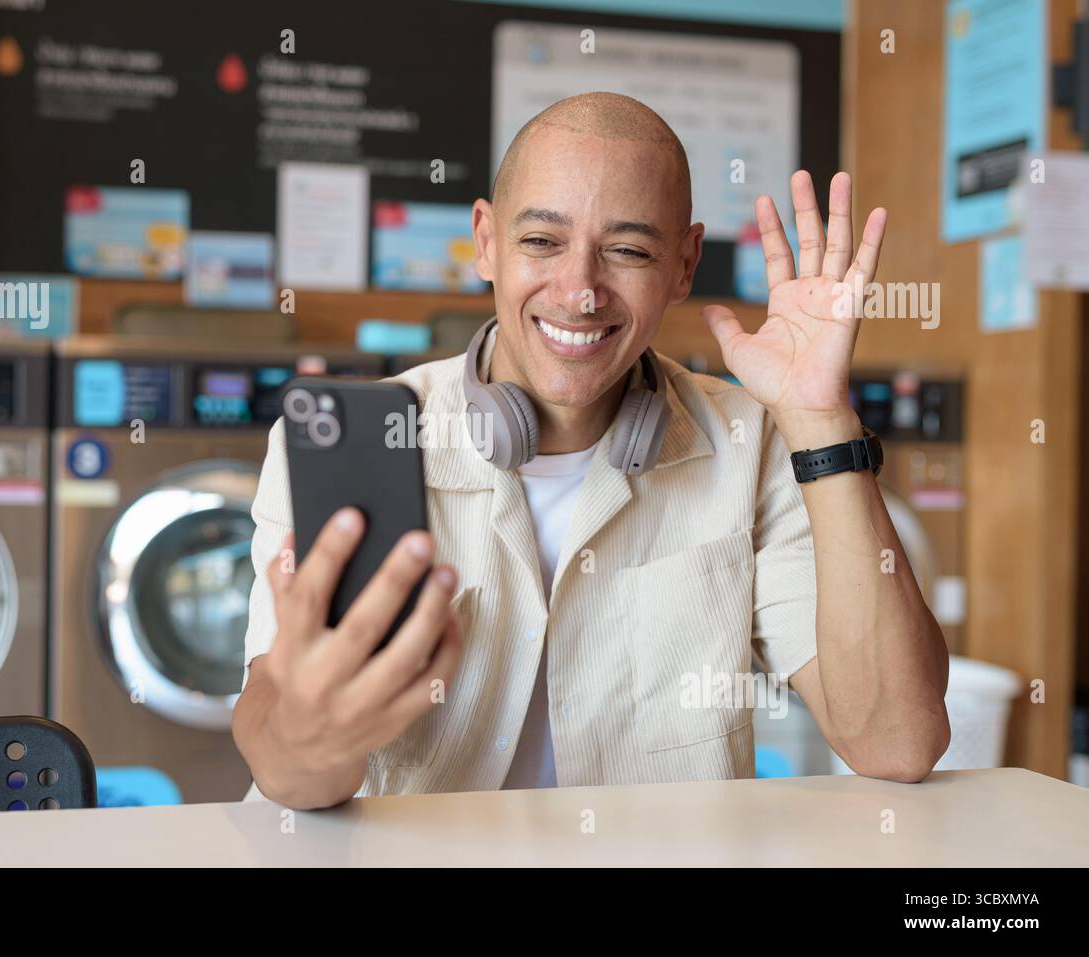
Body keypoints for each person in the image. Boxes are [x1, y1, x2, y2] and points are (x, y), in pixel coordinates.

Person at [233, 92, 950, 809]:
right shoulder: (355, 444)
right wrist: (311, 730)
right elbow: (283, 763)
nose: (580, 291)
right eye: (542, 241)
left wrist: (822, 419)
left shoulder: (753, 439)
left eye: (629, 250)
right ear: (485, 240)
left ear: (683, 263)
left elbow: (895, 741)